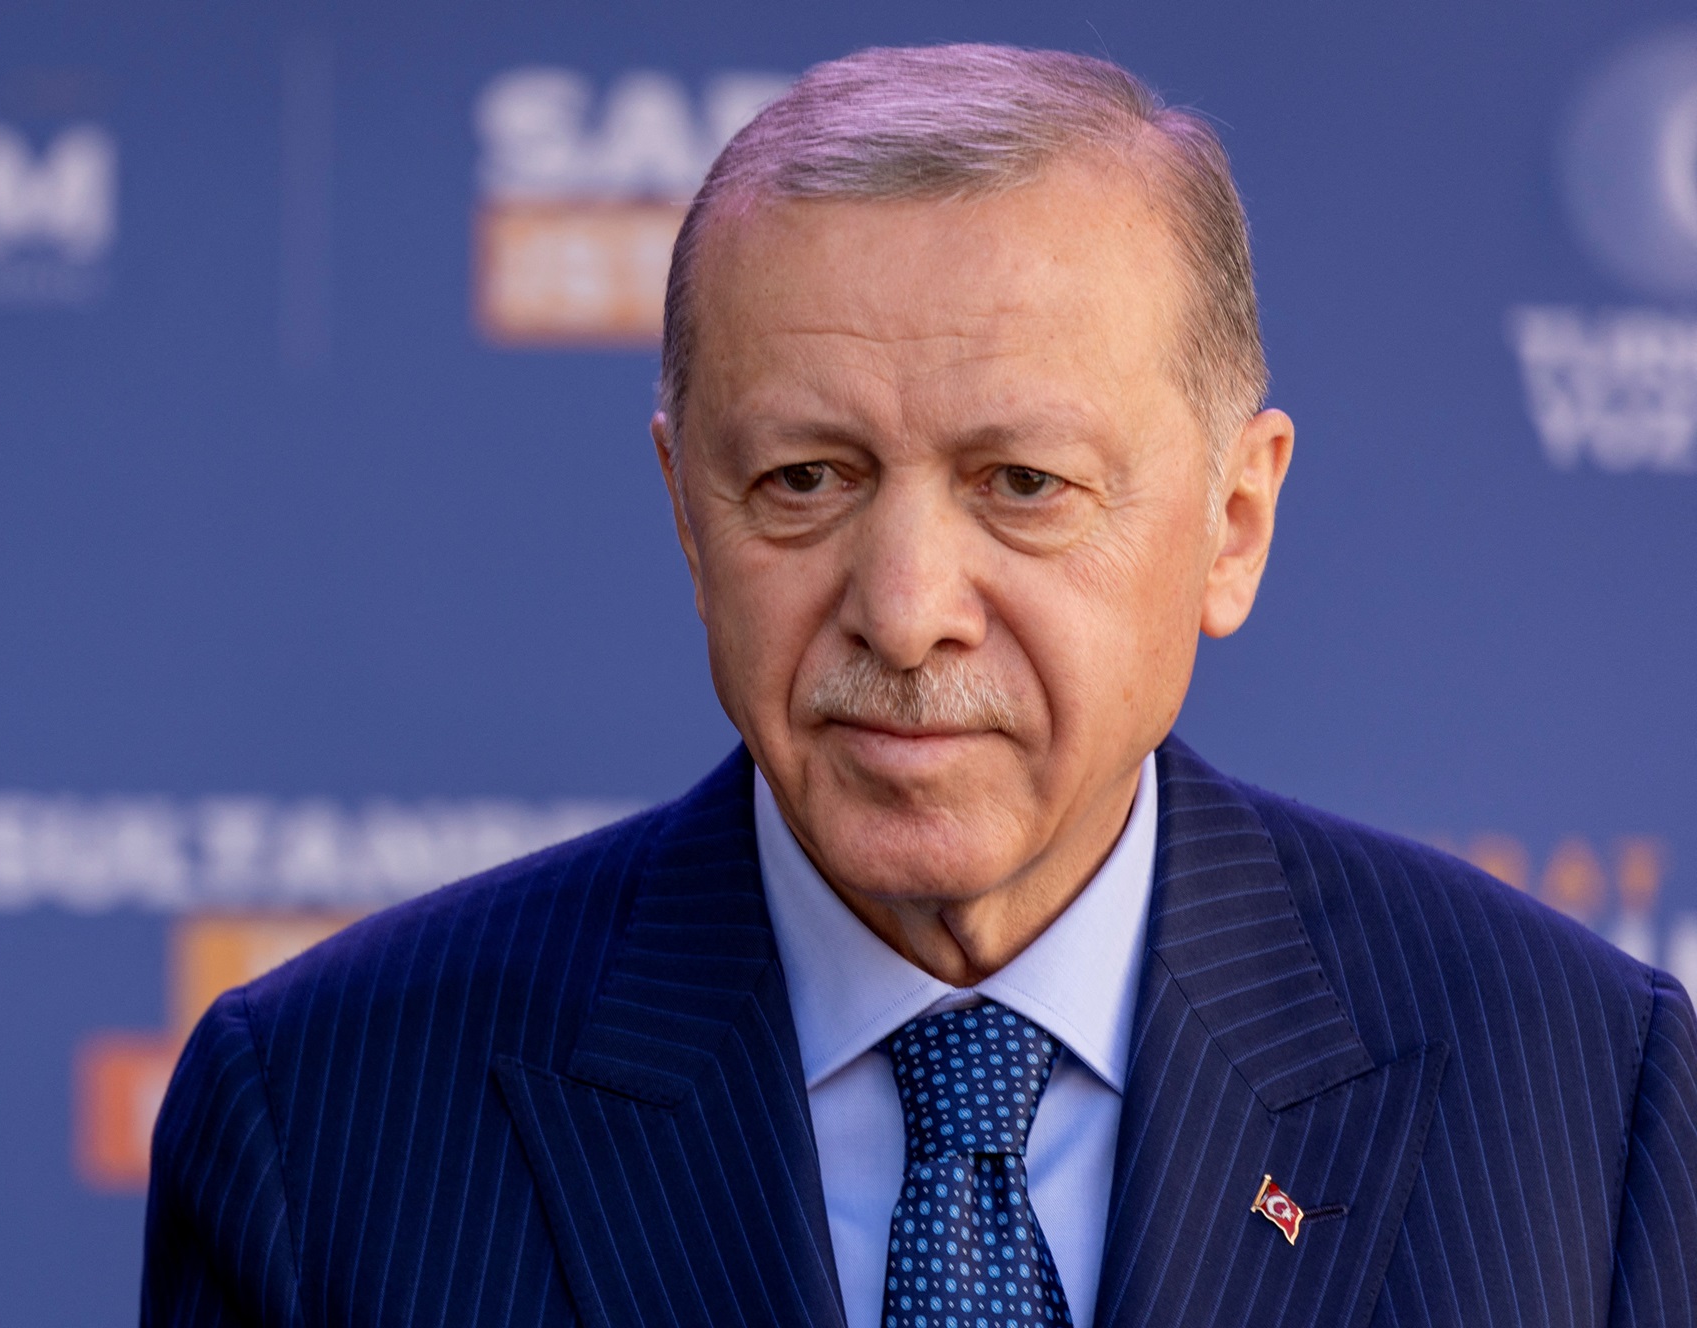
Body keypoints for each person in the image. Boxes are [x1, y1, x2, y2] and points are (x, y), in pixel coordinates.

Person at [142, 45, 1697, 1328]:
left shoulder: (1582, 1098)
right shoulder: (325, 1120)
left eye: (1022, 483)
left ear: (1233, 524)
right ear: (687, 514)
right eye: (806, 480)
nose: (903, 613)